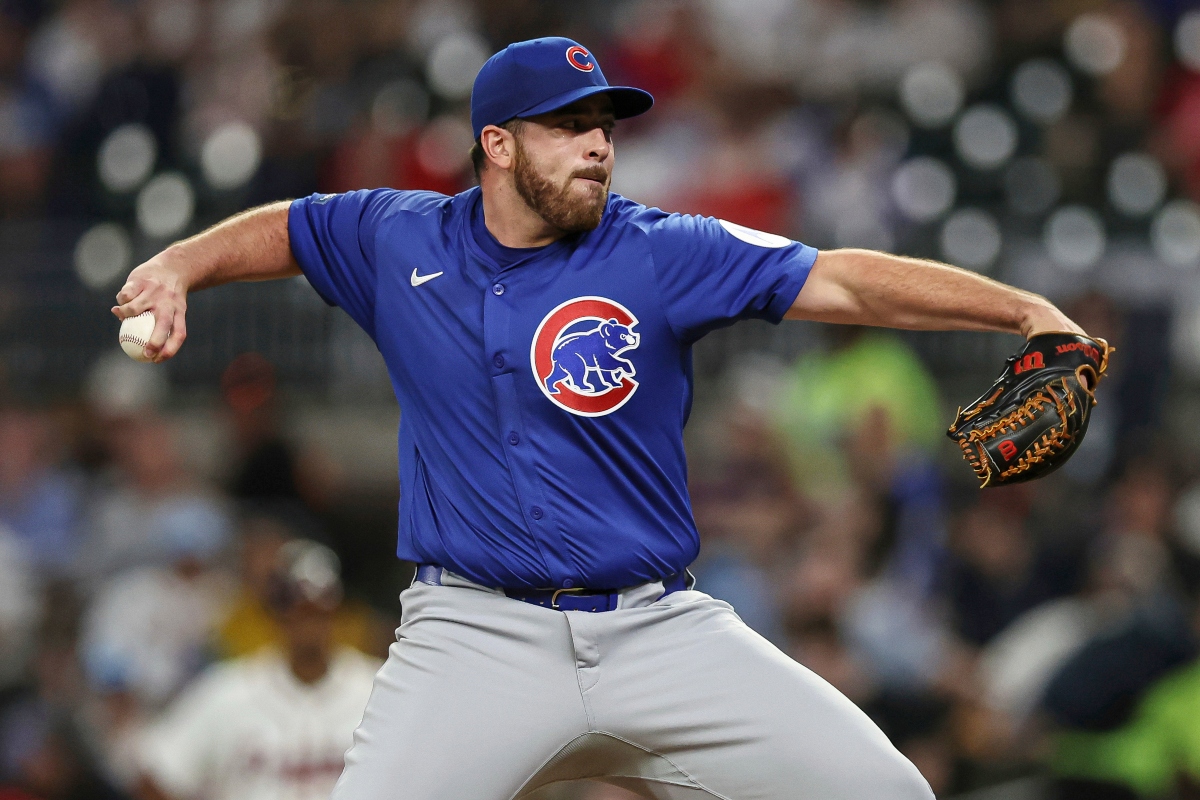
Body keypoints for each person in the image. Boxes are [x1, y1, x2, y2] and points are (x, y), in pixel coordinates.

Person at [112, 36, 1087, 800]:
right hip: (473, 634)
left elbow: (837, 276)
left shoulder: (659, 249)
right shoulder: (395, 235)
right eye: (567, 124)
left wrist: (1019, 309)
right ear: (496, 143)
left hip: (659, 626)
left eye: (605, 125)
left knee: (884, 788)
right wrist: (178, 264)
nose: (598, 145)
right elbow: (285, 224)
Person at [134, 540, 379, 800]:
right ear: (277, 611)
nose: (308, 620)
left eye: (318, 608)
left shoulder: (378, 688)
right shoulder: (228, 690)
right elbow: (156, 774)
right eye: (297, 607)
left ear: (336, 609)